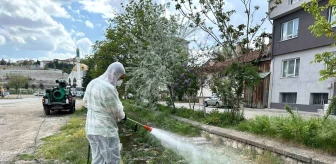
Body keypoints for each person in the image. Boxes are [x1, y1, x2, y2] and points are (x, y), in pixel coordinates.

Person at [83, 62, 127, 164]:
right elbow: (117, 111)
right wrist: (123, 117)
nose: (120, 81)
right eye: (120, 78)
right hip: (106, 132)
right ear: (114, 73)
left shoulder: (93, 83)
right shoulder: (108, 88)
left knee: (98, 160)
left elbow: (85, 102)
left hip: (91, 129)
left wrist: (98, 109)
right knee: (112, 160)